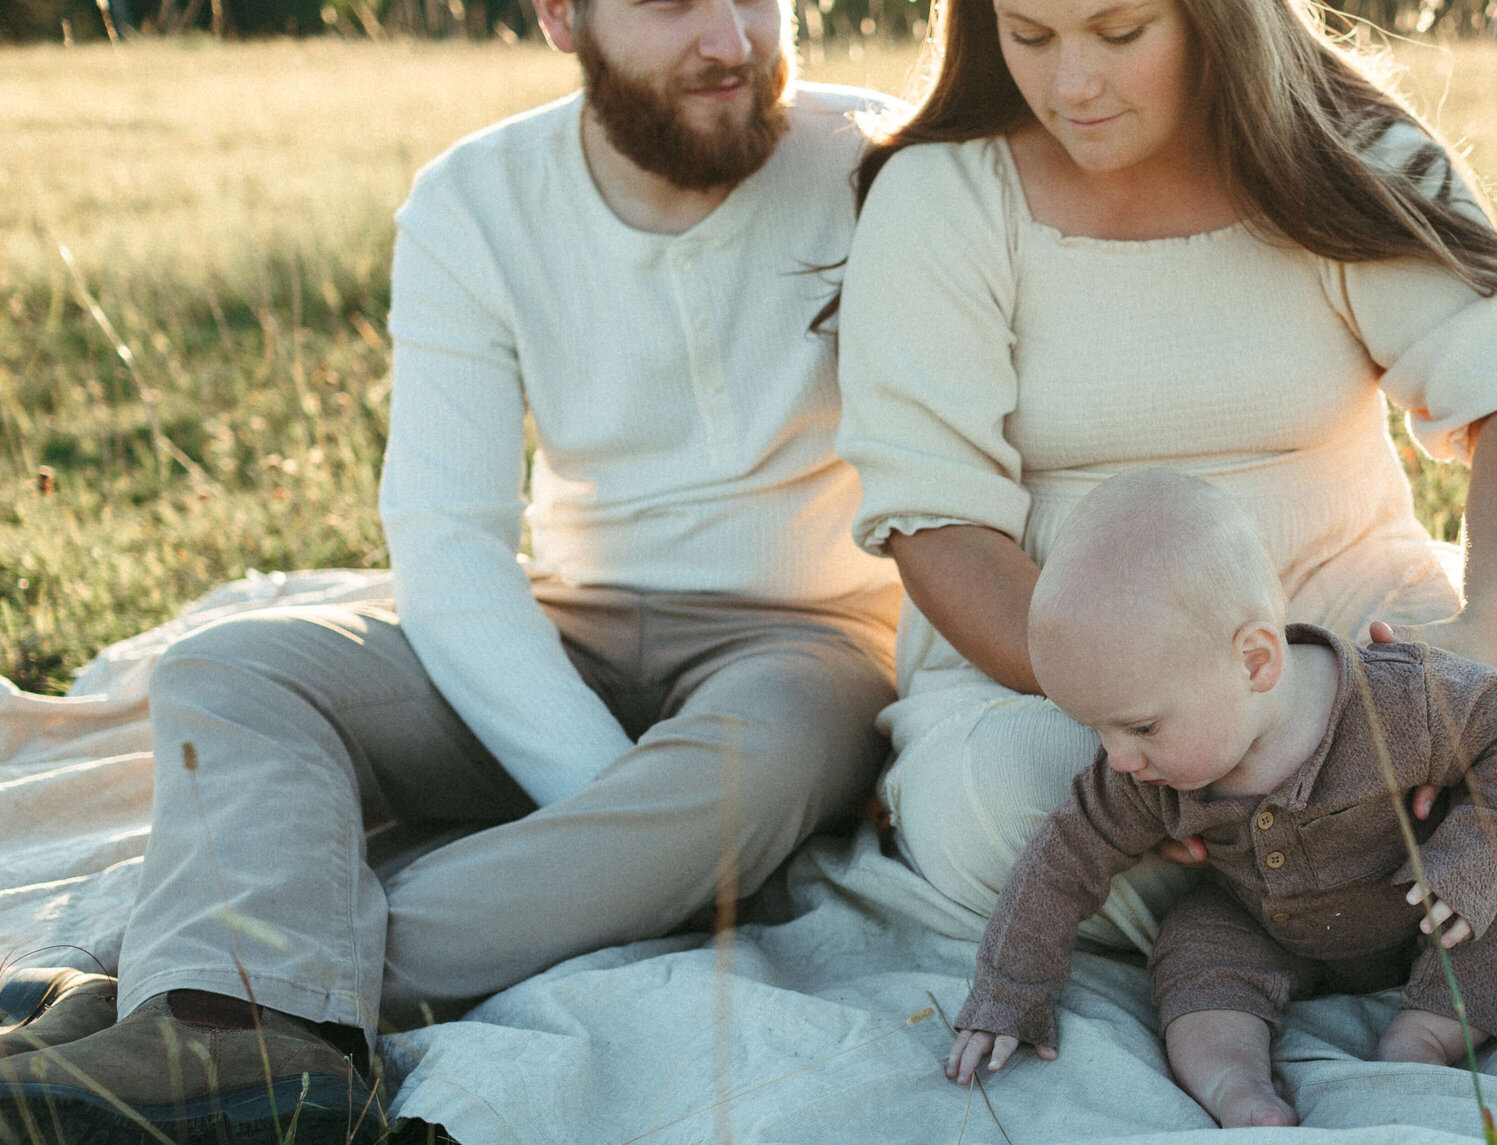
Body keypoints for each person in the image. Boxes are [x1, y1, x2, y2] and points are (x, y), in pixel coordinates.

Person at [0, 0, 901, 1134]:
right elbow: (448, 537)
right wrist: (603, 800)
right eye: (672, 2)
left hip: (803, 644)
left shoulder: (884, 166)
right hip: (566, 614)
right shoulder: (475, 200)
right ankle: (242, 1030)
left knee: (748, 774)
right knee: (233, 667)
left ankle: (205, 1009)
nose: (729, 37)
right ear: (561, 18)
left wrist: (646, 818)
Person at [831, 0, 1497, 1057]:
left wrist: (1479, 646)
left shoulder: (1340, 151)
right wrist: (1165, 730)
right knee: (998, 799)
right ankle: (1374, 898)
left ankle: (1322, 897)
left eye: (1118, 32)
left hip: (1355, 636)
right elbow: (939, 526)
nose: (1071, 87)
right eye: (1029, 34)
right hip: (1081, 684)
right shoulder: (943, 195)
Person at [945, 468, 1497, 1129]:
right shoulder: (1139, 773)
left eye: (1142, 726)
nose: (1118, 756)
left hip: (1428, 902)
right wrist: (1008, 991)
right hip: (1266, 922)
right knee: (1193, 949)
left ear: (1256, 661)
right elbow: (1060, 859)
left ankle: (1424, 1035)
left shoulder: (1397, 703)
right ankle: (1237, 1087)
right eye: (1099, 728)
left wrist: (1469, 857)